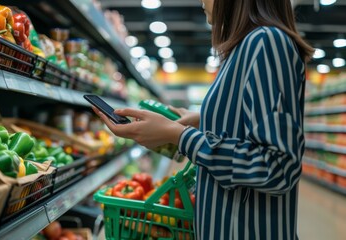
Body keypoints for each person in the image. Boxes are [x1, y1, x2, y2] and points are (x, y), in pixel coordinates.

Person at [92, 0, 314, 239]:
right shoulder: (244, 48)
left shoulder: (266, 42)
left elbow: (278, 167)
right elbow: (246, 125)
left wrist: (179, 135)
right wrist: (203, 120)